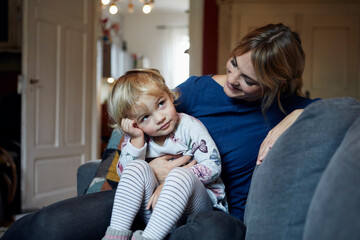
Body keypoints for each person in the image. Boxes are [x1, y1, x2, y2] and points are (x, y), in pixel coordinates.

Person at [1, 23, 316, 240]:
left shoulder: (284, 107)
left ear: (277, 83)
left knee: (215, 233)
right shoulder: (194, 90)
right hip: (142, 194)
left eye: (249, 80)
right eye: (233, 64)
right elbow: (135, 118)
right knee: (50, 224)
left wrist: (297, 114)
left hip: (204, 208)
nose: (233, 79)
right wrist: (145, 168)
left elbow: (344, 108)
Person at [102, 69, 226, 240]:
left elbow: (213, 166)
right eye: (145, 117)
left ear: (169, 95)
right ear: (132, 123)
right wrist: (137, 140)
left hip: (195, 207)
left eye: (161, 103)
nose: (160, 118)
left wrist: (168, 183)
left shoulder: (188, 126)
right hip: (155, 213)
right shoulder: (136, 138)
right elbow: (125, 178)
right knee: (135, 167)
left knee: (179, 175)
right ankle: (115, 236)